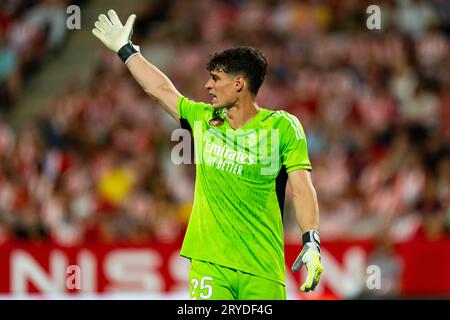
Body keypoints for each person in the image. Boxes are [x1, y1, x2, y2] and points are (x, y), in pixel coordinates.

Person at [92, 9, 322, 300]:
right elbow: (160, 90)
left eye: (215, 78)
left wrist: (311, 242)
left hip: (263, 267)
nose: (207, 85)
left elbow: (302, 189)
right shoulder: (203, 119)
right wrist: (127, 51)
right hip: (209, 265)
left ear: (238, 84)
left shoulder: (283, 127)